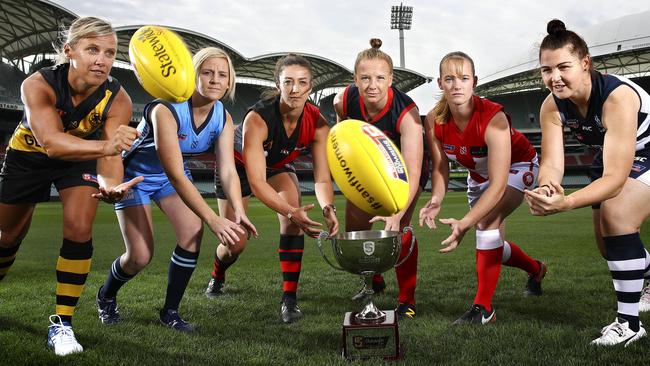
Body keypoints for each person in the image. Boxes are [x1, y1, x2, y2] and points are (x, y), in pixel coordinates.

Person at [0, 17, 140, 356]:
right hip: (28, 157)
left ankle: (61, 323)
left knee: (79, 228)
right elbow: (51, 143)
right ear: (69, 51)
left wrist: (112, 185)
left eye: (110, 52)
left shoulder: (118, 98)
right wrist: (108, 148)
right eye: (92, 49)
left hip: (81, 159)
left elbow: (109, 156)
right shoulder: (38, 84)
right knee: (7, 236)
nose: (102, 60)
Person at [95, 47, 256, 332]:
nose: (215, 80)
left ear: (230, 81)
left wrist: (239, 211)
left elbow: (228, 169)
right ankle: (106, 295)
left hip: (170, 177)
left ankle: (170, 312)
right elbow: (174, 172)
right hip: (135, 177)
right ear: (192, 76)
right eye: (207, 73)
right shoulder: (164, 108)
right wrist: (212, 218)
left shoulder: (224, 117)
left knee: (191, 233)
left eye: (222, 74)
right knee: (140, 256)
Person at [525, 19, 650, 346]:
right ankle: (646, 278)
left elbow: (615, 179)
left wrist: (566, 203)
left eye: (563, 67)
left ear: (585, 64)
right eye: (546, 70)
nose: (554, 77)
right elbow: (551, 162)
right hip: (612, 153)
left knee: (617, 217)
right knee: (607, 244)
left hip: (647, 150)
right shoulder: (551, 104)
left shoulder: (616, 98)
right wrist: (548, 188)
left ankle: (629, 324)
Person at [204, 53, 339, 324]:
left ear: (311, 87)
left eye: (302, 82)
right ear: (278, 85)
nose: (295, 89)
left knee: (293, 217)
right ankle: (218, 275)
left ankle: (289, 299)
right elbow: (257, 182)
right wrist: (291, 211)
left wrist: (328, 208)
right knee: (235, 243)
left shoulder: (319, 123)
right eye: (288, 82)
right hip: (237, 167)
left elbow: (322, 178)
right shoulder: (259, 117)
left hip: (277, 166)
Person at [419, 51, 547, 325]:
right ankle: (536, 269)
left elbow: (499, 184)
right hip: (477, 176)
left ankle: (483, 309)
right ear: (440, 83)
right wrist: (437, 198)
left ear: (474, 81)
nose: (457, 85)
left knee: (486, 223)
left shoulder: (493, 118)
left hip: (518, 166)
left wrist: (465, 223)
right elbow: (440, 167)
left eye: (463, 78)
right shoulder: (434, 119)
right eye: (450, 79)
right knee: (493, 246)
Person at [333, 39, 424, 320]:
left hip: (403, 173)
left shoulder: (407, 114)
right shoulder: (343, 100)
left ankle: (407, 299)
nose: (373, 85)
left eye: (380, 78)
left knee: (399, 231)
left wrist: (397, 213)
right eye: (365, 78)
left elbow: (414, 169)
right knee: (356, 229)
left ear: (391, 79)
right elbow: (342, 133)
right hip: (367, 170)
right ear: (355, 79)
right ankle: (374, 280)